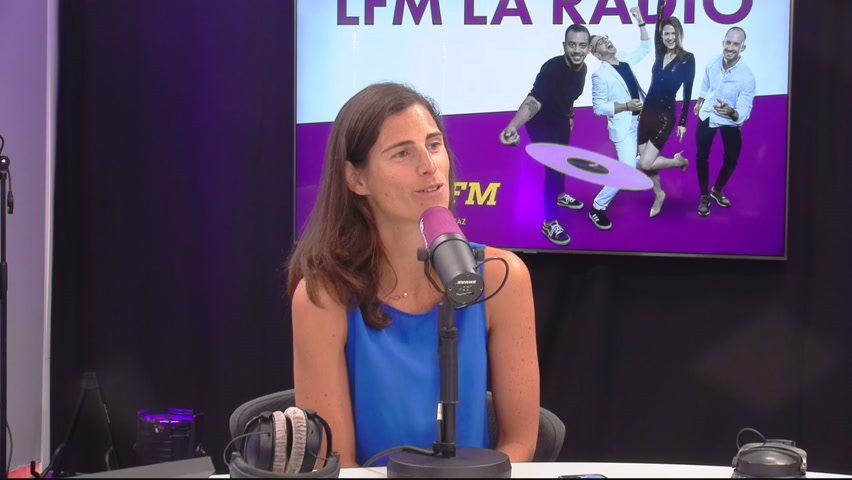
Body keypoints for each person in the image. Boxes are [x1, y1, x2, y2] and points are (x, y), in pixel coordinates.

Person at [286, 82, 540, 468]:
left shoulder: (501, 278)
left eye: (434, 145)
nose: (429, 166)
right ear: (356, 179)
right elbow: (336, 465)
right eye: (402, 153)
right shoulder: (323, 296)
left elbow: (520, 444)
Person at [499, 24, 592, 246]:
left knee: (563, 161)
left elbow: (568, 95)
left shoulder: (583, 69)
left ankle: (560, 195)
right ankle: (549, 222)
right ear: (564, 45)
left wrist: (570, 114)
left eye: (582, 46)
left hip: (560, 120)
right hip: (540, 124)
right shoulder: (552, 69)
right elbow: (534, 100)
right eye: (572, 45)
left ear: (588, 48)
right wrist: (513, 127)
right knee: (554, 169)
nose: (577, 50)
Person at [588, 6, 652, 230]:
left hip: (643, 120)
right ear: (597, 54)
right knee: (626, 169)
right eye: (600, 42)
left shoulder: (624, 58)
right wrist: (626, 106)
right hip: (625, 126)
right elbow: (598, 108)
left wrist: (640, 21)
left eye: (605, 38)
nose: (606, 41)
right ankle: (597, 207)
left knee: (640, 161)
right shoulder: (600, 75)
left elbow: (645, 49)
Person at [636, 0, 695, 217]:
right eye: (665, 33)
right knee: (645, 164)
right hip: (646, 113)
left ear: (679, 34)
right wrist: (657, 8)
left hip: (664, 116)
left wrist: (683, 122)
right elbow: (658, 20)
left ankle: (677, 162)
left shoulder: (688, 59)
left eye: (673, 33)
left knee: (645, 162)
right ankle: (659, 194)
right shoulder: (660, 52)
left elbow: (687, 92)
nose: (669, 37)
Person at [694, 26, 756, 216]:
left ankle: (717, 190)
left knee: (731, 158)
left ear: (742, 48)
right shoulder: (712, 62)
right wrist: (700, 101)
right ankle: (704, 195)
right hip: (708, 114)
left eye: (736, 44)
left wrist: (731, 112)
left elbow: (745, 110)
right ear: (723, 43)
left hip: (730, 120)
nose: (730, 47)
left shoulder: (747, 77)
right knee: (702, 156)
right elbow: (705, 83)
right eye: (728, 42)